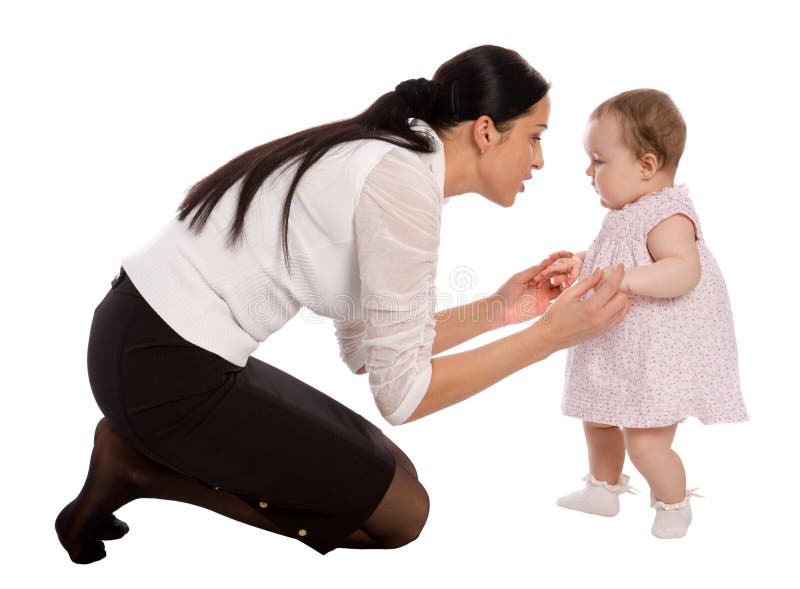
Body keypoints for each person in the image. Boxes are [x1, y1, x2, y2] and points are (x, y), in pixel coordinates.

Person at [54, 45, 634, 564]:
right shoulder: (400, 182)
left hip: (149, 343)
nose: (539, 161)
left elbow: (365, 352)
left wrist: (504, 309)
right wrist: (550, 337)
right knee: (400, 514)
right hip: (162, 365)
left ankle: (134, 450)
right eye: (535, 136)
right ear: (486, 131)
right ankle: (136, 466)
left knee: (392, 475)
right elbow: (403, 397)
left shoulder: (395, 162)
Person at [533, 89, 748, 539]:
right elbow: (614, 255)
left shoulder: (669, 215)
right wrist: (582, 261)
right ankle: (603, 489)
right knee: (598, 418)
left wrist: (625, 278)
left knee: (646, 442)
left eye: (599, 161)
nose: (589, 171)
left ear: (647, 166)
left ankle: (673, 505)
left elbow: (682, 272)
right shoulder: (628, 212)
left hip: (656, 356)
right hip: (619, 347)